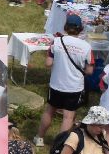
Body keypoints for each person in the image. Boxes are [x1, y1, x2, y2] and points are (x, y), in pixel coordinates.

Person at [37, 12, 93, 146]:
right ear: (81, 29)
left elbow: (48, 63)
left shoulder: (56, 42)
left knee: (50, 110)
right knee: (68, 117)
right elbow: (90, 71)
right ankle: (59, 144)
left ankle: (39, 138)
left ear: (65, 27)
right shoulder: (86, 47)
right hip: (74, 87)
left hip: (56, 84)